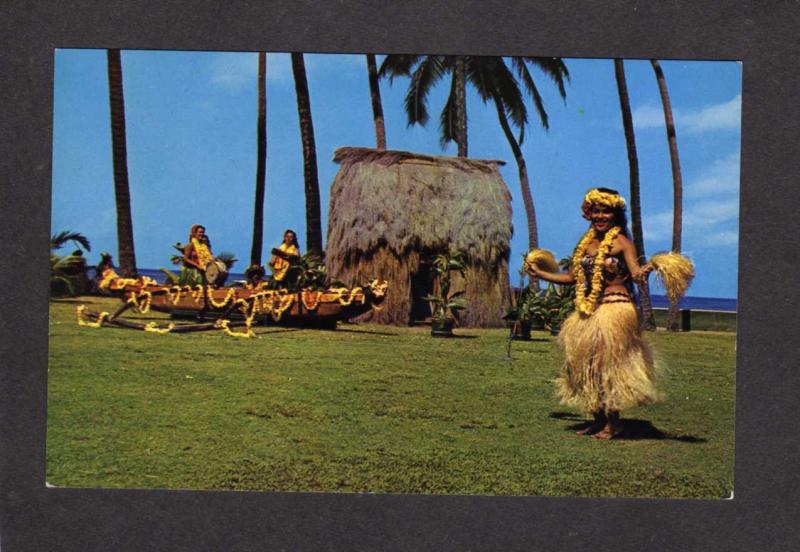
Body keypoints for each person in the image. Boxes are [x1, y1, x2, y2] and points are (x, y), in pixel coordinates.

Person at [525, 187, 658, 440]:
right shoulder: (586, 242)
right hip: (590, 309)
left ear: (615, 214)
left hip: (616, 308)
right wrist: (541, 274)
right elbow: (571, 277)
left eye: (605, 211)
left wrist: (650, 269)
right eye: (596, 211)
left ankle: (614, 423)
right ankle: (598, 420)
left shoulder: (622, 242)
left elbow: (636, 274)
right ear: (589, 214)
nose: (600, 216)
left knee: (610, 366)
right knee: (586, 366)